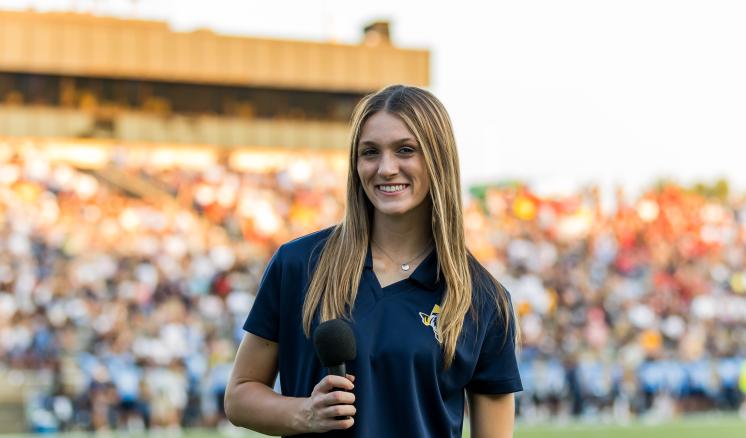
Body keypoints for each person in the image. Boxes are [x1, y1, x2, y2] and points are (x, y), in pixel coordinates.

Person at [224, 84, 522, 437]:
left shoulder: (484, 299)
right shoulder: (297, 265)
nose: (386, 168)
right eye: (370, 152)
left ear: (438, 158)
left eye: (406, 150)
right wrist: (305, 413)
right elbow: (240, 395)